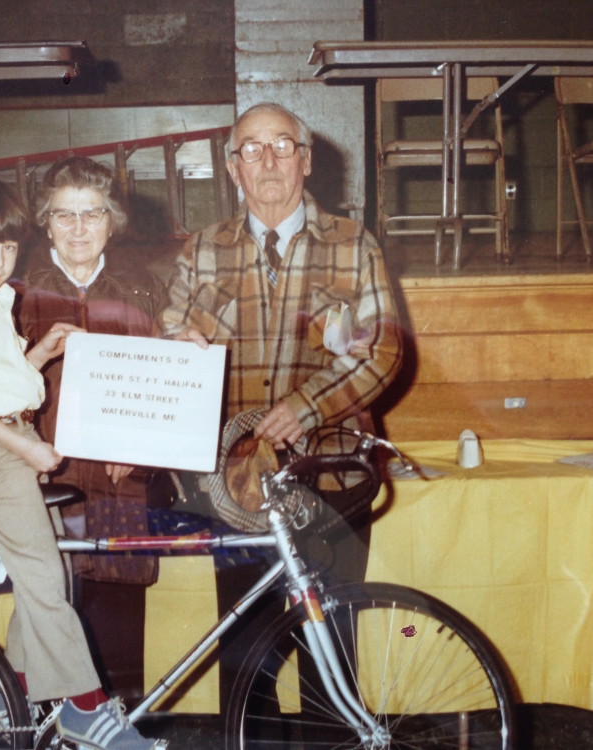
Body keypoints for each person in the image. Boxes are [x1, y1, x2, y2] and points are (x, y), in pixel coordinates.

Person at [159, 102, 404, 693]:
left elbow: (383, 352)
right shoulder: (200, 251)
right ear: (231, 168)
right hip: (238, 487)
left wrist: (306, 407)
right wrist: (175, 347)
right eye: (250, 148)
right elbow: (167, 337)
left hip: (331, 478)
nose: (267, 160)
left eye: (282, 146)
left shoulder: (355, 245)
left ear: (307, 160)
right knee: (247, 664)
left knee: (331, 659)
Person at [0, 178, 166, 750]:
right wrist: (28, 448)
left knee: (43, 572)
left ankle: (14, 684)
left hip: (15, 438)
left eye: (8, 248)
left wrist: (41, 352)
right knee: (45, 581)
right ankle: (83, 709)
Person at [17, 155, 168, 703]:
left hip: (119, 480)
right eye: (64, 214)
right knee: (49, 615)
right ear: (45, 220)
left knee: (119, 625)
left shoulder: (145, 289)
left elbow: (166, 387)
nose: (78, 227)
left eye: (92, 213)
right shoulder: (17, 289)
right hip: (43, 478)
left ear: (112, 220)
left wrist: (143, 448)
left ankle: (121, 726)